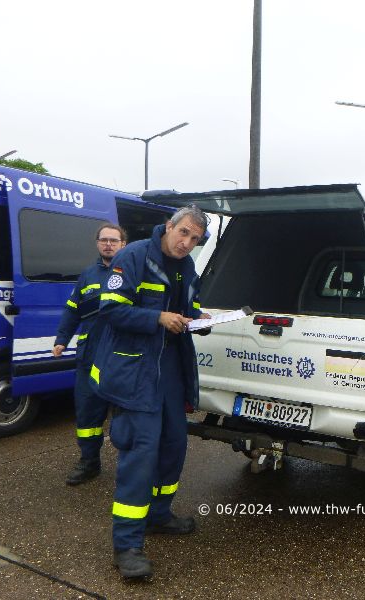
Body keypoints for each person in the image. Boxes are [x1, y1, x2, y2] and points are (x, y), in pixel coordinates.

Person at [89, 206, 210, 580]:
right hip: (136, 372)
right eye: (184, 233)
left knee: (174, 445)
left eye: (194, 239)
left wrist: (200, 320)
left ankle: (158, 515)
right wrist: (155, 317)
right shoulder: (133, 256)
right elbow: (110, 310)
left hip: (171, 370)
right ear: (169, 226)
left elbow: (188, 307)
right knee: (140, 455)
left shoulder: (187, 267)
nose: (186, 243)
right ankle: (126, 545)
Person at [53, 223, 127, 486]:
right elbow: (72, 310)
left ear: (123, 245)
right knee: (87, 414)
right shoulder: (87, 275)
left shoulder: (132, 273)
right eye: (104, 240)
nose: (109, 244)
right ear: (98, 243)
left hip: (120, 359)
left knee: (125, 416)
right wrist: (62, 339)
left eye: (114, 241)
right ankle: (89, 462)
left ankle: (129, 467)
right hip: (90, 356)